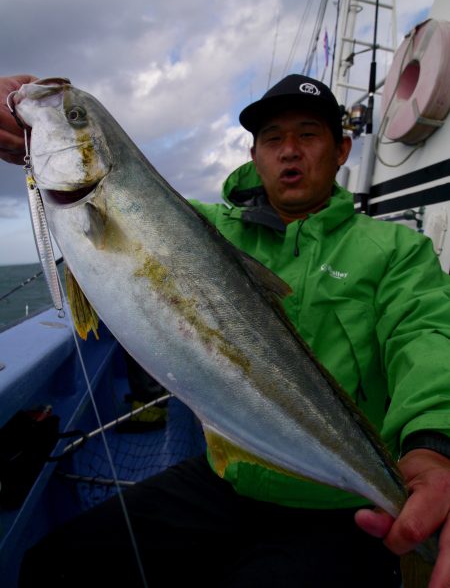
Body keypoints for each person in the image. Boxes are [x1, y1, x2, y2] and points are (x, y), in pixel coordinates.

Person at [1, 72, 450, 587]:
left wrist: (434, 446)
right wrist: (30, 136)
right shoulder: (200, 225)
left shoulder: (396, 252)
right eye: (273, 139)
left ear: (342, 148)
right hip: (229, 480)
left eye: (308, 135)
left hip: (339, 503)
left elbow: (429, 339)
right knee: (52, 564)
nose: (289, 152)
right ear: (254, 154)